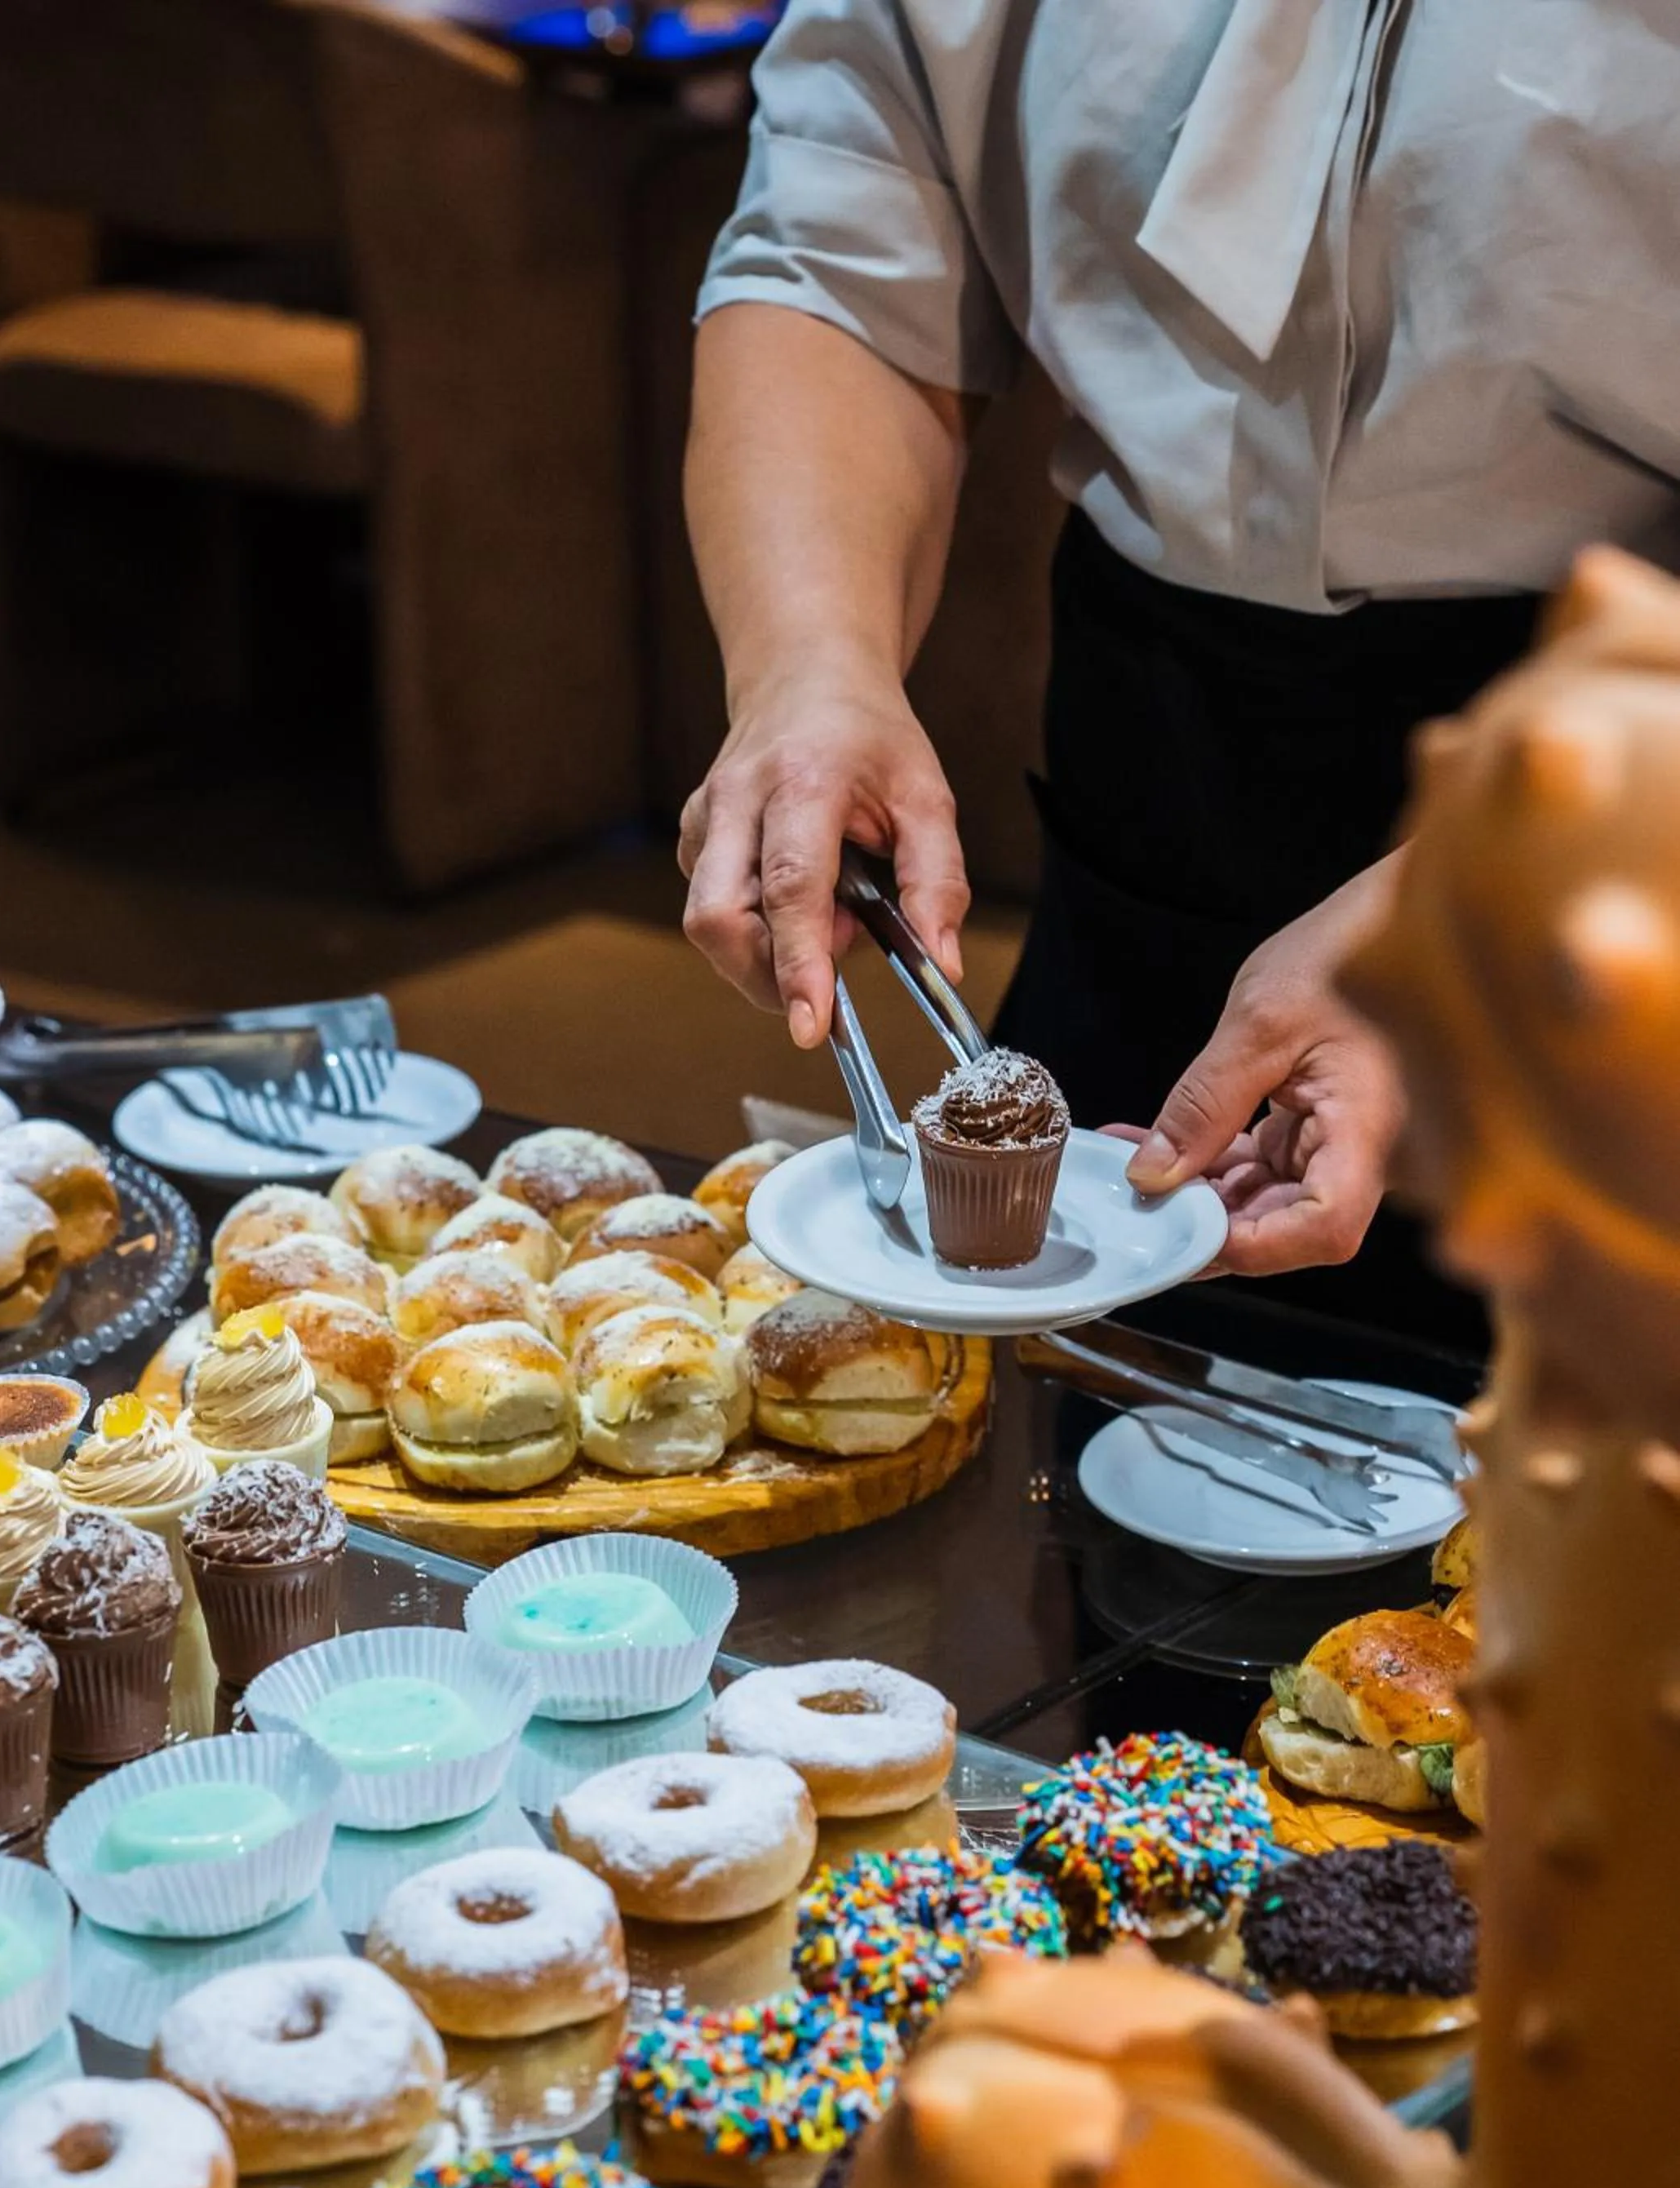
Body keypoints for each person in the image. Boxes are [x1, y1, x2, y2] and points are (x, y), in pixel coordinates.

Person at [676, 0, 1680, 1349]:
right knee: (1072, 1459)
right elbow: (842, 253)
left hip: (1626, 852)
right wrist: (809, 665)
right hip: (1147, 788)